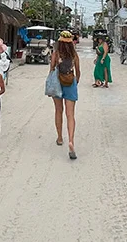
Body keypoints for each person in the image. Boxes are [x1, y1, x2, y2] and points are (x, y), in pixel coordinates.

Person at [50, 31, 81, 160]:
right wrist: (75, 81)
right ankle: (71, 141)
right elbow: (78, 72)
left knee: (58, 110)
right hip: (70, 82)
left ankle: (60, 137)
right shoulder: (74, 55)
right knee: (70, 114)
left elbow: (51, 69)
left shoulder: (56, 54)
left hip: (58, 83)